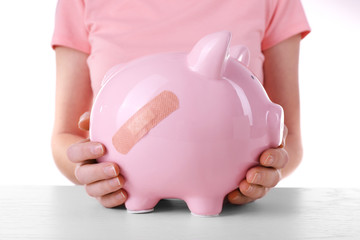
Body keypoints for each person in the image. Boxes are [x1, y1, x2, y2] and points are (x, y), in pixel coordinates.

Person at [51, 0, 310, 208]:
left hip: (233, 219)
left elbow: (291, 138)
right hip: (123, 209)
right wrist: (87, 169)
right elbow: (67, 135)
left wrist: (268, 169)